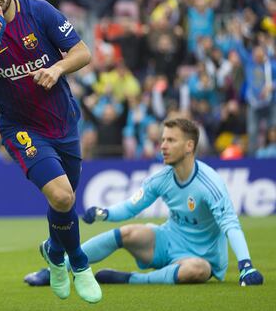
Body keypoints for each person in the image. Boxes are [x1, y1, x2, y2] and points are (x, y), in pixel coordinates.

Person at [0, 0, 101, 303]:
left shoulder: (39, 12)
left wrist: (56, 69)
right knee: (62, 195)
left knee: (64, 202)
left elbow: (82, 53)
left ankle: (54, 252)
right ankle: (79, 264)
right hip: (20, 127)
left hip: (62, 121)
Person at [25, 118, 263, 287]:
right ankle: (58, 269)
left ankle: (127, 279)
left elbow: (231, 225)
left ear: (189, 146)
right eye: (163, 139)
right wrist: (104, 213)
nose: (163, 146)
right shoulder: (162, 178)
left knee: (198, 270)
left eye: (171, 140)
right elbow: (132, 206)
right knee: (127, 233)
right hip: (167, 242)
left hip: (201, 258)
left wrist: (246, 265)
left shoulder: (210, 183)